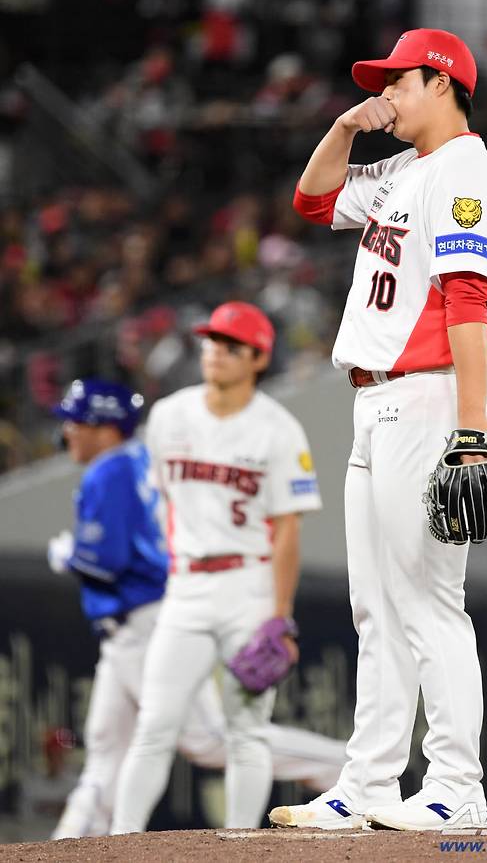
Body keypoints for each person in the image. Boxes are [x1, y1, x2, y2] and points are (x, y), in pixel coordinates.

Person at [268, 28, 487, 832]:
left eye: (398, 83)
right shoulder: (406, 167)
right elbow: (312, 201)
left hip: (434, 398)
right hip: (376, 404)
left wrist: (473, 429)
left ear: (440, 83)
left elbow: (468, 305)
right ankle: (367, 783)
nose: (388, 96)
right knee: (376, 605)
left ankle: (457, 784)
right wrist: (343, 127)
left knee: (430, 603)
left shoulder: (467, 171)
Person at [47, 375, 342, 839]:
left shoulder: (112, 469)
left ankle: (342, 766)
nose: (67, 430)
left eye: (77, 421)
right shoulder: (136, 460)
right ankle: (70, 845)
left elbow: (108, 560)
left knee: (209, 740)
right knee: (106, 752)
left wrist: (68, 555)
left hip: (146, 618)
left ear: (104, 427)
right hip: (129, 627)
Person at [110, 301, 323, 833]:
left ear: (258, 358)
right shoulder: (169, 415)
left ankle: (241, 844)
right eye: (210, 342)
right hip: (185, 588)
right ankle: (116, 842)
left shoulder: (278, 429)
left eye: (231, 346)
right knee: (155, 724)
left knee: (245, 731)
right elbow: (161, 503)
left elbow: (288, 529)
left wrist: (280, 614)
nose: (216, 354)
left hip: (248, 584)